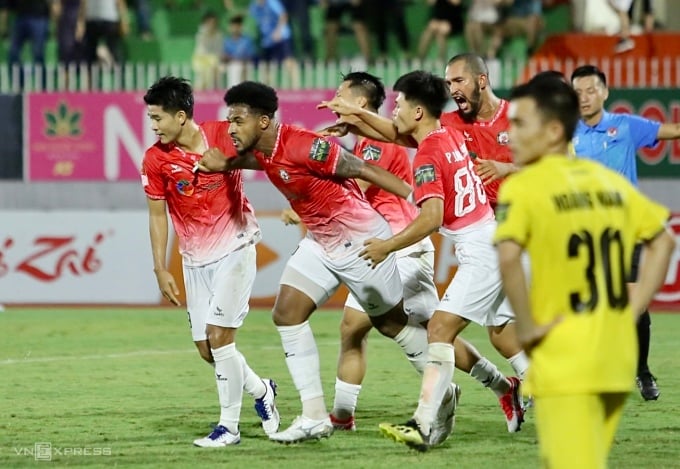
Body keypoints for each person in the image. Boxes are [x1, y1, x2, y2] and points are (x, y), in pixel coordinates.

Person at [197, 80, 455, 445]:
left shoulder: (307, 146)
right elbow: (249, 158)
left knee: (391, 324)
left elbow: (364, 169)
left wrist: (420, 199)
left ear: (265, 121)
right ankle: (315, 415)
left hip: (360, 241)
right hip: (321, 243)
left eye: (238, 120)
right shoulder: (265, 150)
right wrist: (221, 162)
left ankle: (443, 388)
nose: (231, 128)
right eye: (229, 121)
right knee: (287, 312)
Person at [315, 71, 529, 435]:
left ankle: (426, 423)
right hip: (487, 241)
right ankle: (510, 390)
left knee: (441, 330)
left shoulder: (427, 155)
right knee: (482, 332)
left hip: (477, 249)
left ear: (416, 111)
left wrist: (387, 246)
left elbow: (430, 217)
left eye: (398, 104)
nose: (394, 109)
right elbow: (393, 132)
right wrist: (354, 119)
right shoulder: (446, 132)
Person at [494, 77, 675, 469]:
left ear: (554, 130)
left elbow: (508, 258)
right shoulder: (610, 184)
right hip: (613, 358)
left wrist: (526, 328)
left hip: (567, 352)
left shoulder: (526, 189)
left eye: (521, 124)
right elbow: (664, 242)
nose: (510, 135)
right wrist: (633, 310)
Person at [140, 76, 280, 447]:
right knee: (208, 350)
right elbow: (157, 216)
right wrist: (160, 267)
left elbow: (270, 152)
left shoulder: (224, 134)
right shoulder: (155, 160)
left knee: (220, 338)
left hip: (235, 248)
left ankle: (228, 428)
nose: (153, 126)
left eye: (158, 118)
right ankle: (262, 390)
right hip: (193, 259)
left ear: (182, 116)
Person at [571, 64, 680, 401]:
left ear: (604, 92)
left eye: (591, 90)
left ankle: (642, 372)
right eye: (578, 92)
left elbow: (671, 130)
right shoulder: (564, 134)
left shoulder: (625, 126)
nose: (584, 98)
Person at [191, 10, 223, 90]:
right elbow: (203, 51)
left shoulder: (219, 35)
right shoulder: (200, 34)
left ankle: (215, 91)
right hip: (201, 60)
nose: (212, 25)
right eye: (209, 22)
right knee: (204, 75)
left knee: (216, 66)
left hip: (214, 61)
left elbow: (219, 50)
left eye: (214, 22)